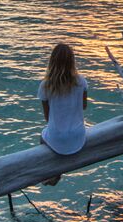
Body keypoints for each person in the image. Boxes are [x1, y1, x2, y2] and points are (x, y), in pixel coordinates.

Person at [37, 43, 88, 185]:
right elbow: (83, 107)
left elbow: (47, 118)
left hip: (57, 137)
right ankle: (57, 173)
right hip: (79, 136)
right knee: (61, 134)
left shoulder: (45, 86)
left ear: (52, 62)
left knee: (42, 136)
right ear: (72, 61)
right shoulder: (81, 81)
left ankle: (54, 172)